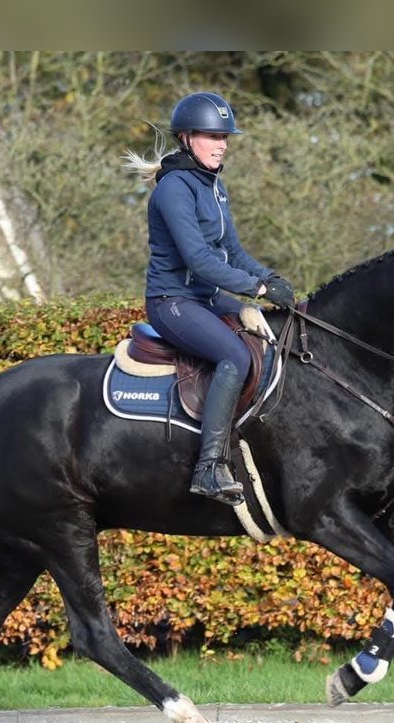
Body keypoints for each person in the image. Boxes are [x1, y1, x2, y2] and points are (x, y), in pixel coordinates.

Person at [124, 91, 296, 506]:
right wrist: (255, 289)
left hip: (206, 299)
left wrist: (269, 277)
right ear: (186, 138)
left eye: (225, 137)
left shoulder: (214, 187)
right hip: (173, 302)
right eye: (212, 136)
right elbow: (199, 260)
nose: (221, 145)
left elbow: (232, 251)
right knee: (234, 356)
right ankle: (209, 468)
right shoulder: (174, 190)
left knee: (277, 331)